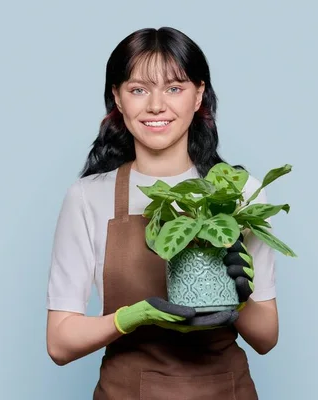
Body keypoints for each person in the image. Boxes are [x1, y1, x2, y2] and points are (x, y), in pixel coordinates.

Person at [46, 27, 278, 399]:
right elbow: (59, 343)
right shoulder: (88, 197)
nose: (156, 105)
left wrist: (241, 295)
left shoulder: (240, 193)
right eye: (138, 89)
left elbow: (266, 338)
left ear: (199, 94)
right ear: (117, 99)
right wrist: (129, 318)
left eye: (174, 87)